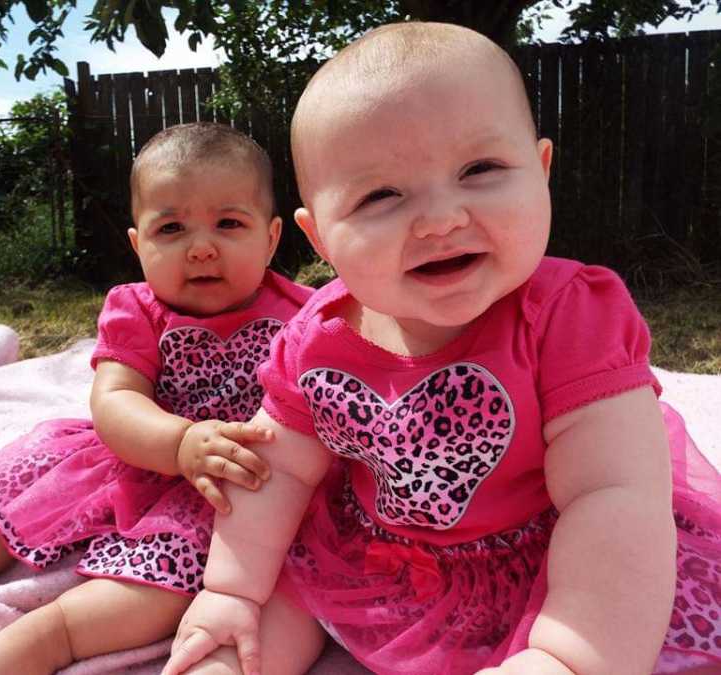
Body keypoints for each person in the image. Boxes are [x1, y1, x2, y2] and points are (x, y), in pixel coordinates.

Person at [161, 23, 721, 675]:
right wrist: (229, 588)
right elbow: (276, 471)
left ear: (540, 172)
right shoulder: (316, 338)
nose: (440, 218)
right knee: (279, 593)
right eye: (380, 196)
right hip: (381, 556)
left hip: (559, 554)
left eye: (479, 170)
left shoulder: (571, 315)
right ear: (321, 240)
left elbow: (612, 496)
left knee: (624, 587)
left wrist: (573, 655)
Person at [0, 122, 314, 675]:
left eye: (228, 223)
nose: (201, 248)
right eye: (171, 228)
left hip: (231, 487)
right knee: (13, 483)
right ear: (138, 245)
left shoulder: (305, 314)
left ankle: (54, 634)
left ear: (271, 238)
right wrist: (176, 441)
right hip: (136, 451)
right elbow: (116, 399)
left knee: (175, 575)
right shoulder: (138, 309)